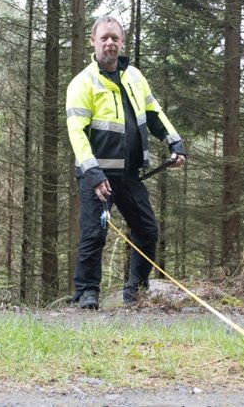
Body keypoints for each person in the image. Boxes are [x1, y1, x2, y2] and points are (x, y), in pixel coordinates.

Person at [65, 15, 186, 310]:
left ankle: (136, 290)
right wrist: (92, 172)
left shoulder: (134, 77)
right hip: (97, 175)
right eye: (104, 38)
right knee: (95, 233)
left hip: (129, 174)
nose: (110, 43)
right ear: (93, 41)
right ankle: (87, 292)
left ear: (122, 42)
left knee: (146, 229)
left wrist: (174, 142)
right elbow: (76, 133)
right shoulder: (82, 83)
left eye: (115, 38)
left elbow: (153, 113)